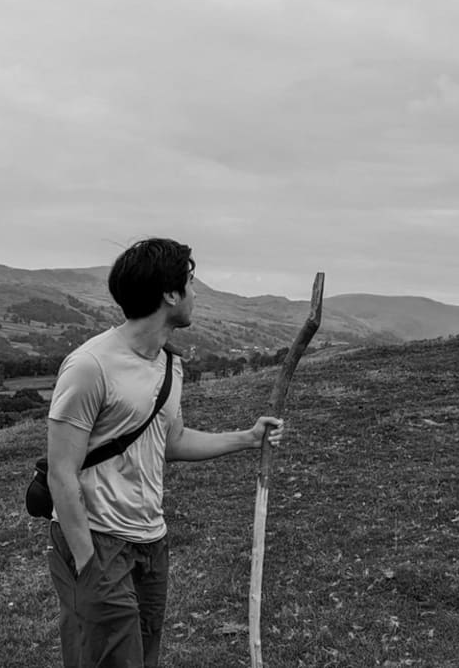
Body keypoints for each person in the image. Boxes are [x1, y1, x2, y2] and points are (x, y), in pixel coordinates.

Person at [46, 237, 284, 668]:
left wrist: (248, 438)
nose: (196, 293)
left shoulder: (169, 364)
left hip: (150, 542)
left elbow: (170, 442)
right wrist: (87, 565)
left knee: (143, 658)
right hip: (98, 542)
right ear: (170, 294)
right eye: (191, 282)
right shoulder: (90, 366)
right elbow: (61, 473)